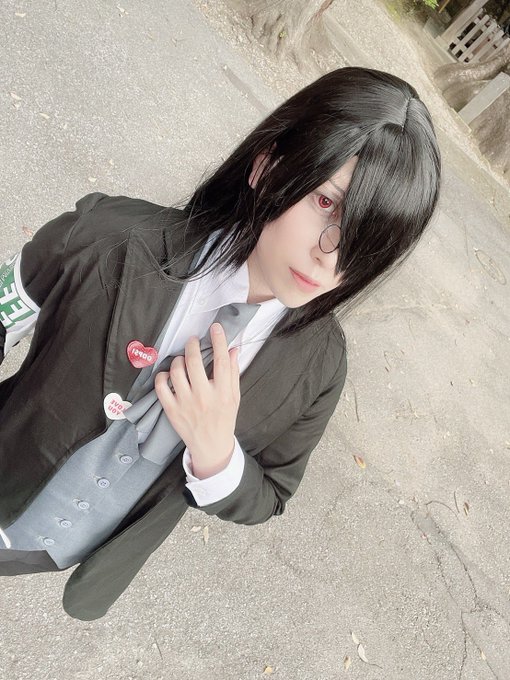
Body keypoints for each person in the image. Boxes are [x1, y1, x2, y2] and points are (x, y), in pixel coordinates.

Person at [0, 66, 441, 620]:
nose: (331, 257)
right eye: (327, 204)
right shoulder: (105, 236)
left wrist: (217, 456)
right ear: (268, 165)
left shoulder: (319, 368)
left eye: (370, 236)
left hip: (63, 553)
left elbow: (272, 492)